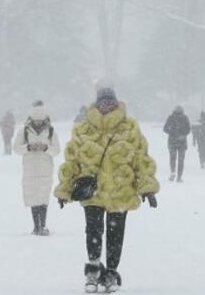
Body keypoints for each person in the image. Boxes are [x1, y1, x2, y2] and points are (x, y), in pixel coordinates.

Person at [56, 85, 159, 293]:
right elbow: (71, 162)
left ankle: (110, 273)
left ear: (116, 103)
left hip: (121, 192)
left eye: (110, 102)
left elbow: (142, 159)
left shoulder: (129, 128)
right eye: (103, 102)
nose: (106, 106)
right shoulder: (83, 129)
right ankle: (93, 271)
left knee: (115, 234)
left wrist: (147, 188)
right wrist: (64, 189)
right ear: (96, 104)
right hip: (92, 192)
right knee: (93, 231)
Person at [14, 100, 61, 235]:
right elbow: (16, 148)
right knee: (33, 196)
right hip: (29, 168)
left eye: (41, 120)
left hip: (45, 168)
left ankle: (43, 225)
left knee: (43, 196)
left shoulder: (51, 131)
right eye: (36, 120)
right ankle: (36, 226)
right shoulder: (24, 131)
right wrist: (28, 147)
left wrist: (46, 148)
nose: (39, 123)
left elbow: (57, 149)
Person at [163, 106, 191, 182]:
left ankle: (173, 172)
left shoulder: (171, 118)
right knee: (181, 160)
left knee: (172, 158)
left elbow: (165, 129)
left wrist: (172, 134)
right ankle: (179, 177)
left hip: (172, 142)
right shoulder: (185, 118)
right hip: (182, 142)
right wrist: (182, 135)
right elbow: (188, 129)